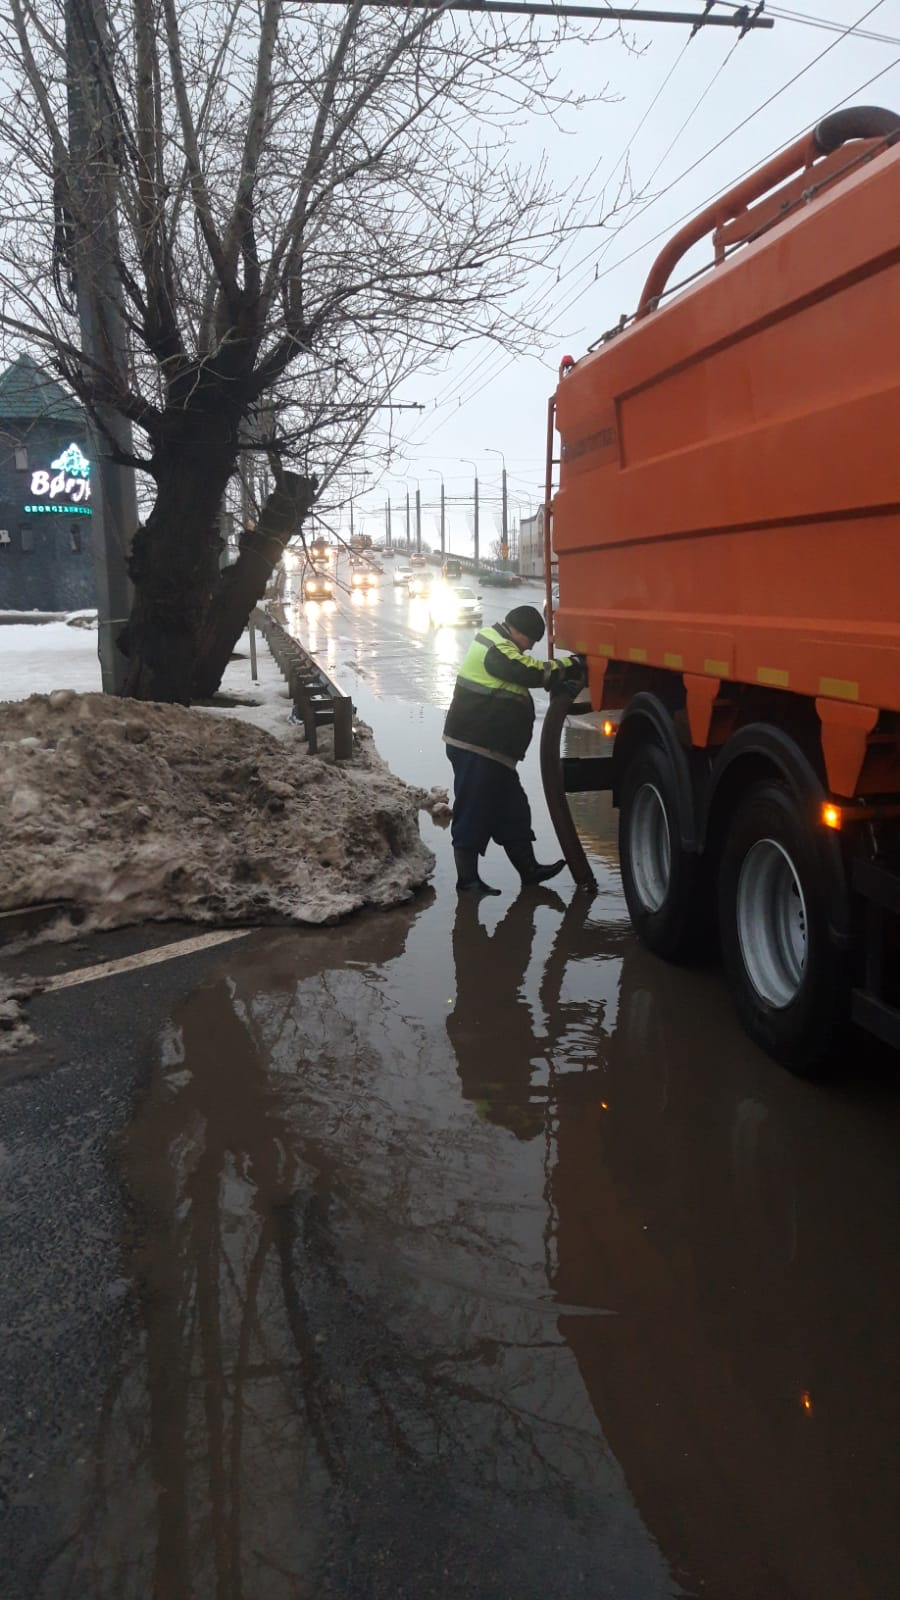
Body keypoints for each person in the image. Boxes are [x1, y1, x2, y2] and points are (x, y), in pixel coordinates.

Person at [443, 604, 585, 893]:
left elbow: (517, 680)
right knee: (473, 809)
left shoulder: (500, 644)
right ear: (518, 631)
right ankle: (467, 880)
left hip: (493, 752)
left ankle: (529, 870)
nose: (531, 647)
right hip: (475, 746)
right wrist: (572, 665)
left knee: (513, 809)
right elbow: (528, 673)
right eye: (530, 640)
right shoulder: (495, 646)